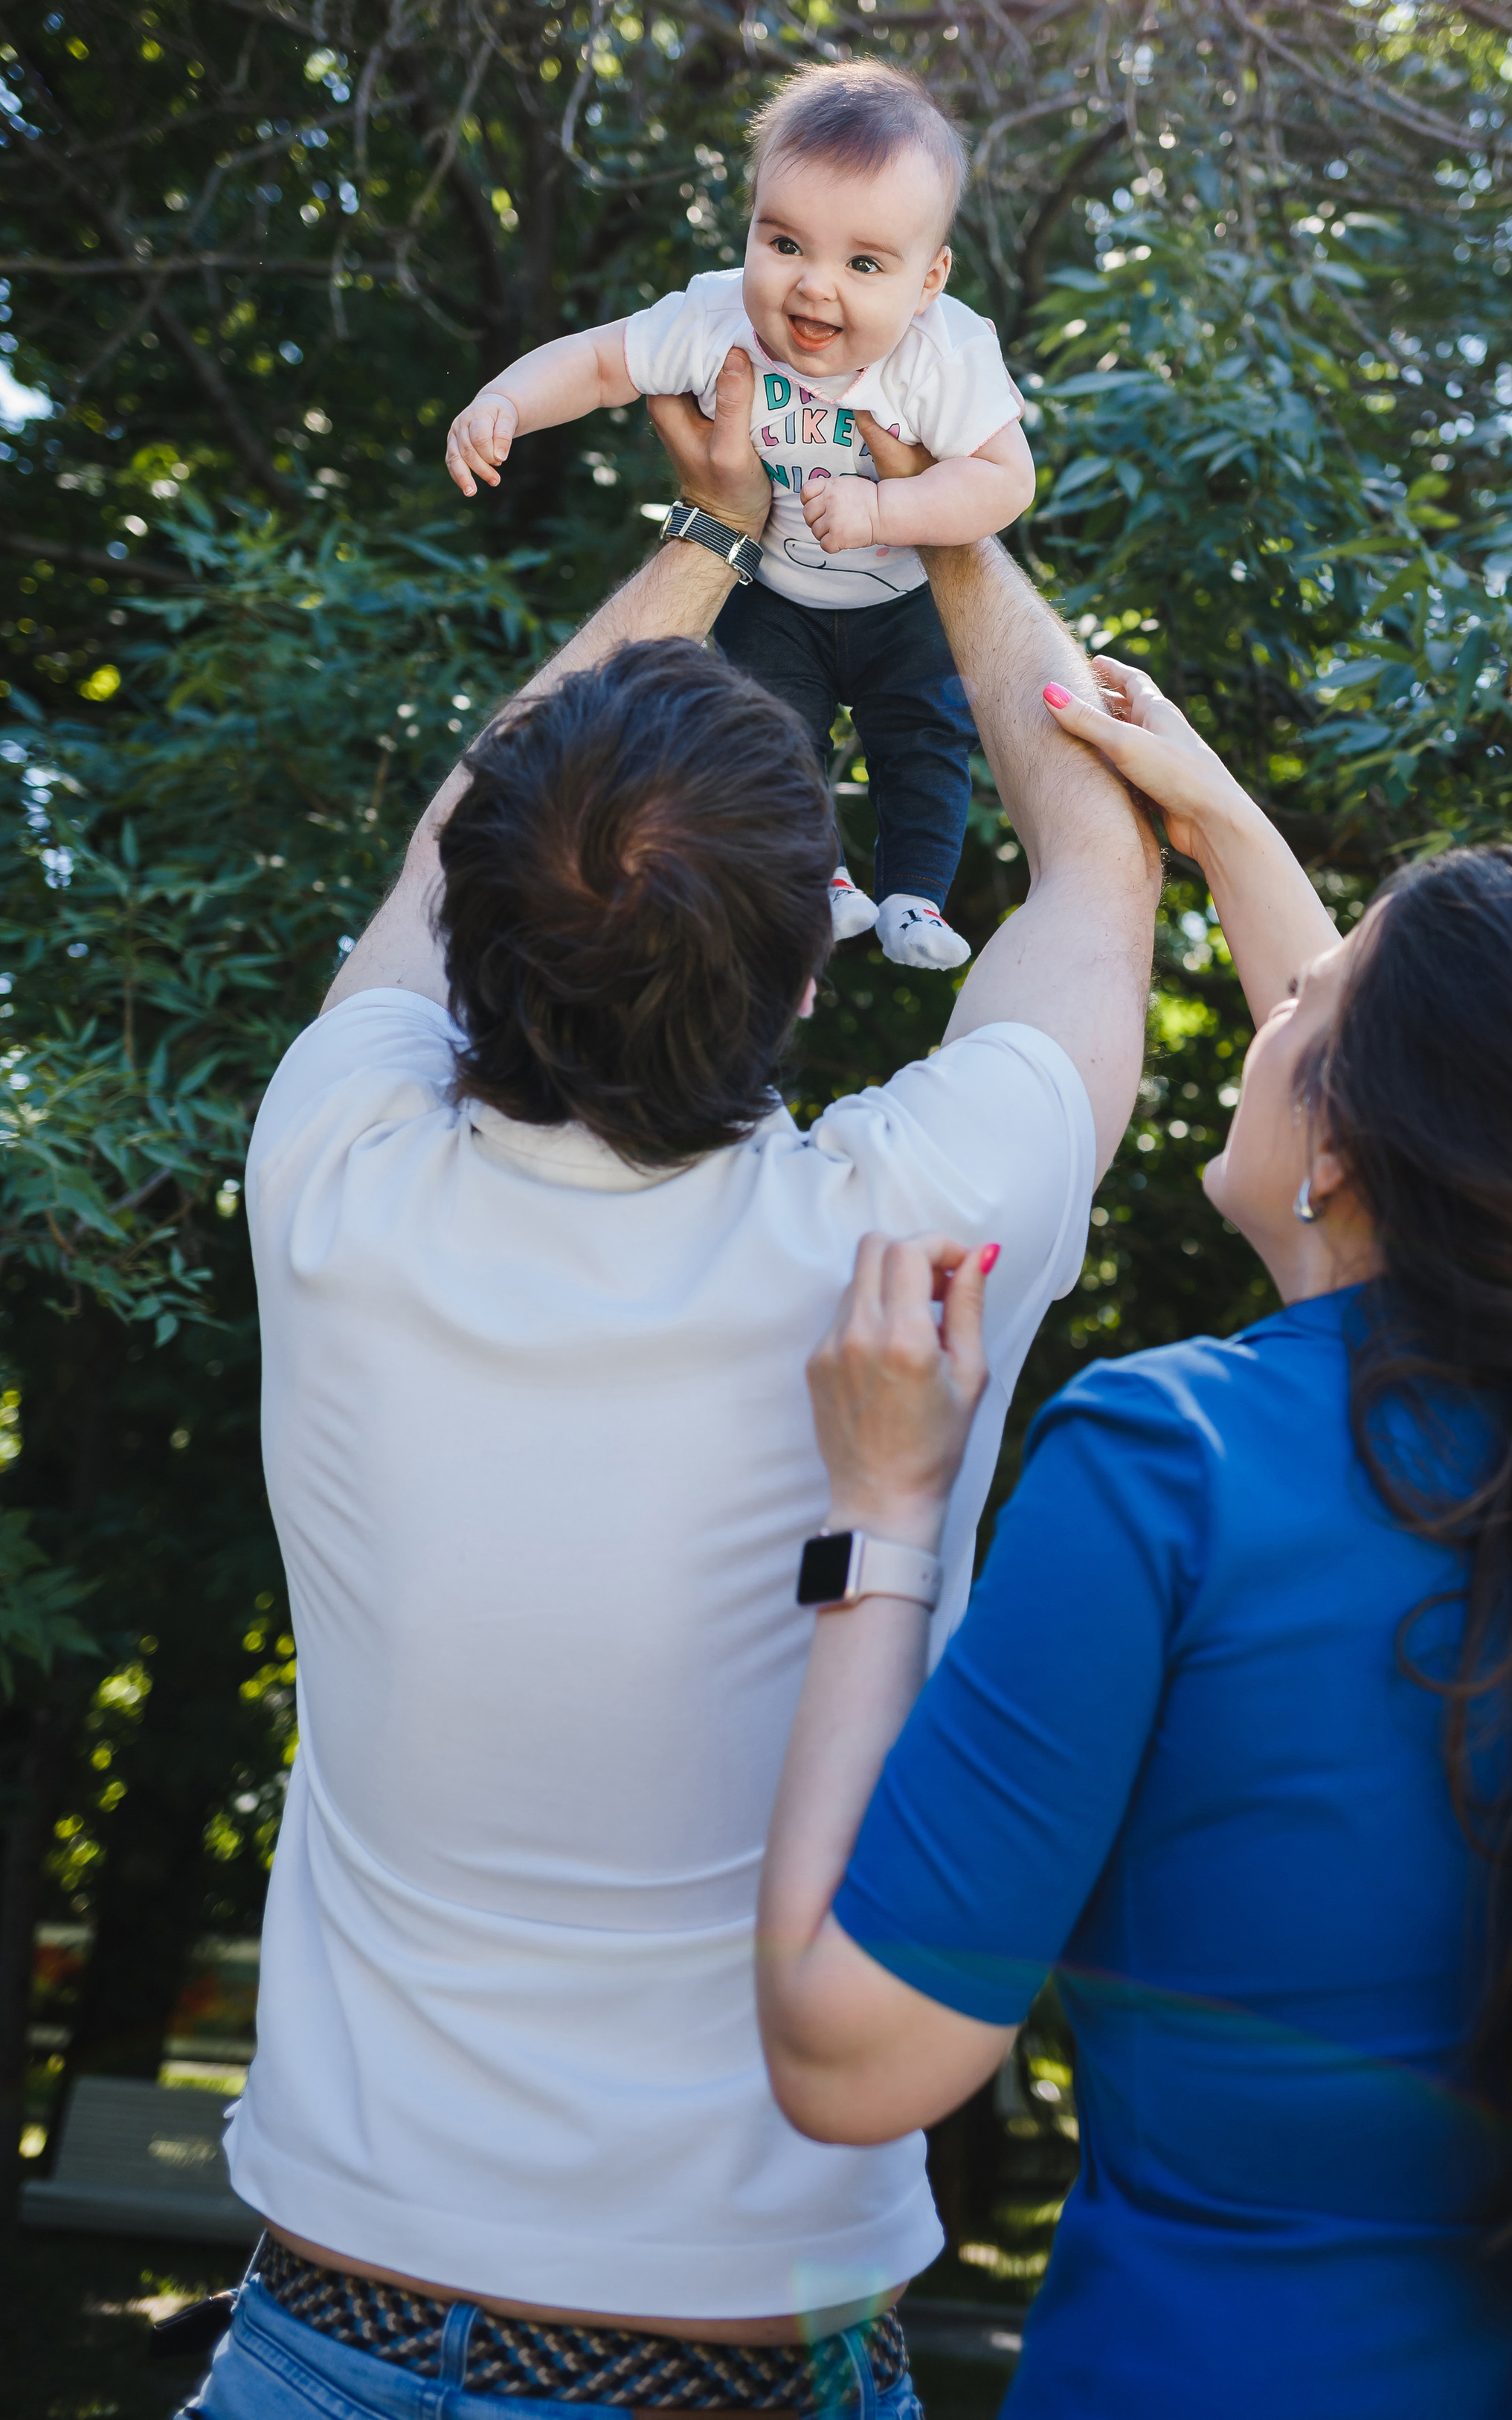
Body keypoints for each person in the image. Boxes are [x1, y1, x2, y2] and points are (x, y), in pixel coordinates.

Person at [185, 382, 1159, 2420]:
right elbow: (1093, 873)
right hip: (730, 2364)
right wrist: (948, 510)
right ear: (814, 955)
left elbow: (471, 828)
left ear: (479, 951)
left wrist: (707, 537)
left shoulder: (332, 1173)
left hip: (316, 2335)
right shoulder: (910, 1245)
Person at [756, 662, 1512, 2420]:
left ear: (1343, 1139)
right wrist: (1211, 807)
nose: (1270, 1002)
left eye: (1305, 997)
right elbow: (1445, 1129)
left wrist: (878, 1511)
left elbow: (850, 2048)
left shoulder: (1160, 1462)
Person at [444, 60, 1037, 974]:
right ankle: (826, 878)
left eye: (865, 263)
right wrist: (505, 402)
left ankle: (914, 894)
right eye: (786, 244)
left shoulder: (944, 352)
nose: (814, 288)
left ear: (928, 280)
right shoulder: (715, 319)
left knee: (920, 740)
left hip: (900, 601)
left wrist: (889, 503)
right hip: (777, 592)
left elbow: (1005, 480)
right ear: (750, 228)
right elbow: (603, 364)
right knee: (771, 730)